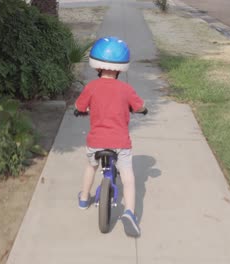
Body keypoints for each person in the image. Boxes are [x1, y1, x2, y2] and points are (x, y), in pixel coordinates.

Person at [75, 36, 147, 237]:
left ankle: (83, 198)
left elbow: (79, 106)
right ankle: (129, 213)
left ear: (96, 66)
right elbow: (139, 106)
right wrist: (143, 109)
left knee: (91, 166)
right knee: (128, 178)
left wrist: (80, 109)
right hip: (120, 144)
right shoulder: (126, 89)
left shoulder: (91, 87)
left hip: (96, 142)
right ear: (121, 67)